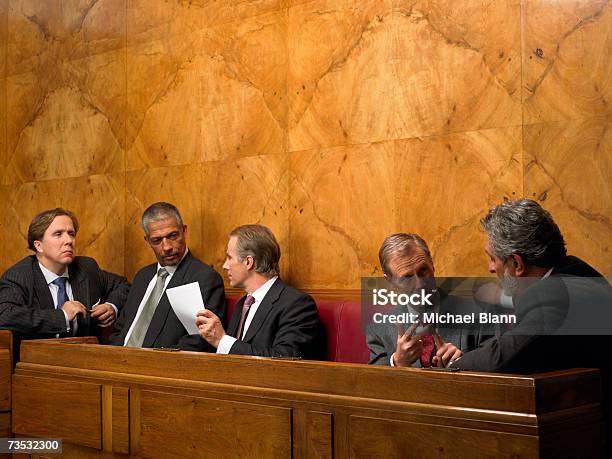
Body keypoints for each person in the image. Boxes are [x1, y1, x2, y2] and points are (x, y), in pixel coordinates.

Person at [450, 199, 610, 373]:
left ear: (517, 264)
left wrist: (454, 364)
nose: (491, 268)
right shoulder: (578, 272)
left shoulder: (553, 296)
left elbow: (503, 359)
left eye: (492, 258)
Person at [0, 208, 129, 357]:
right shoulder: (19, 275)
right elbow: (4, 315)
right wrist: (61, 316)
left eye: (71, 234)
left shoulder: (86, 268)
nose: (68, 241)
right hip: (37, 365)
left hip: (87, 361)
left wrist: (111, 306)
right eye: (58, 234)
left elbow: (124, 285)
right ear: (38, 245)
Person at [194, 224, 323, 358]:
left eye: (229, 258)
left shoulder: (297, 304)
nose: (225, 266)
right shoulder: (243, 303)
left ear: (248, 262)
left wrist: (222, 340)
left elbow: (284, 359)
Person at [109, 202, 225, 349]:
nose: (167, 247)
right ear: (147, 241)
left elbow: (199, 341)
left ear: (184, 231)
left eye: (173, 236)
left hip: (158, 367)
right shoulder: (142, 277)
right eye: (157, 240)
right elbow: (121, 329)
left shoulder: (205, 279)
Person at [366, 233, 484, 368]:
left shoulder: (479, 314)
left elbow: (495, 376)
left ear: (432, 265)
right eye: (407, 277)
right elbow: (374, 384)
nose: (420, 284)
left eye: (423, 270)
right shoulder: (378, 329)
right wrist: (398, 363)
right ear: (390, 282)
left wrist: (463, 365)